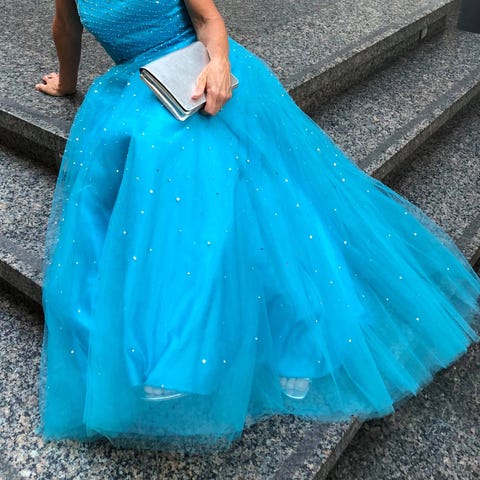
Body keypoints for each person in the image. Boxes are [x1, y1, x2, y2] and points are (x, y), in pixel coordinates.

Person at [37, 0, 480, 451]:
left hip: (199, 72)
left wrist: (219, 64)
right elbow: (65, 28)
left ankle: (272, 336)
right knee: (149, 158)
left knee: (194, 162)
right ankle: (169, 347)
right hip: (137, 87)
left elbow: (208, 19)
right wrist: (66, 83)